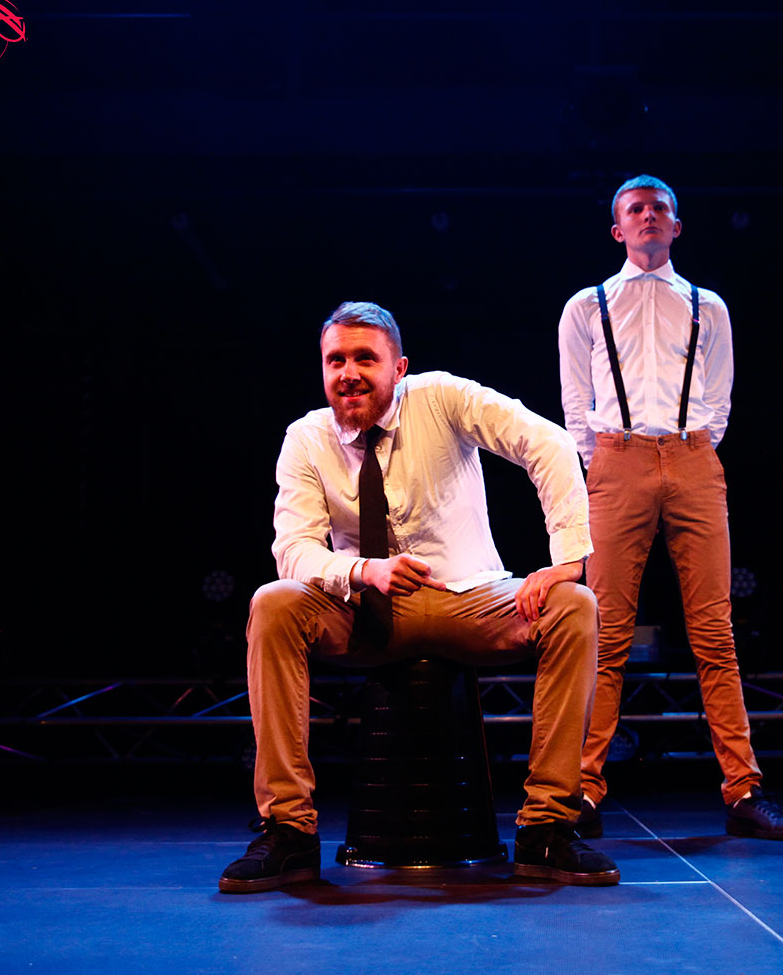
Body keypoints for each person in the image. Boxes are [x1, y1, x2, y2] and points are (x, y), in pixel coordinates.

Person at [220, 301, 620, 891]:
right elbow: (294, 549)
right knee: (273, 602)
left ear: (399, 367)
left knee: (574, 608)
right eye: (336, 360)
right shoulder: (306, 438)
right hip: (363, 608)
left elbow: (549, 444)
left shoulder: (443, 397)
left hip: (467, 598)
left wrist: (566, 561)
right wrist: (364, 571)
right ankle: (289, 830)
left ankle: (547, 825)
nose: (349, 373)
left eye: (365, 359)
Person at [558, 175, 783, 840]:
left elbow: (719, 399)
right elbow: (575, 400)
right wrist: (608, 459)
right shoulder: (587, 305)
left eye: (659, 208)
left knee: (715, 631)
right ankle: (583, 790)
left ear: (676, 225)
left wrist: (689, 450)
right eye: (636, 210)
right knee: (606, 630)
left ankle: (743, 789)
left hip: (693, 457)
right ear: (618, 229)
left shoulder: (707, 306)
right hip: (617, 457)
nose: (648, 216)